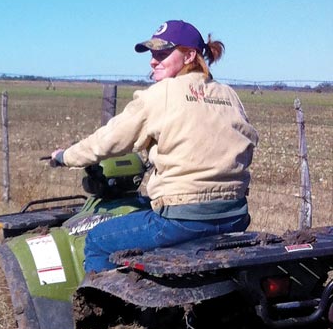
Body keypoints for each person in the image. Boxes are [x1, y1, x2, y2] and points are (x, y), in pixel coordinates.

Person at [46, 20, 258, 273]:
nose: (153, 61)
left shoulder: (160, 94)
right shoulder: (228, 94)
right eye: (152, 54)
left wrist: (64, 156)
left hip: (181, 220)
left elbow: (107, 141)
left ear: (190, 55)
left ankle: (101, 310)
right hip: (234, 216)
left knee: (98, 240)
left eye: (162, 53)